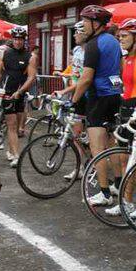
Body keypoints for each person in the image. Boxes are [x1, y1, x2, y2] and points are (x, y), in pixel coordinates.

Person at [71, 6, 123, 205]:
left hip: (98, 97)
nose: (83, 25)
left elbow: (86, 78)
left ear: (96, 23)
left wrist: (74, 100)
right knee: (111, 143)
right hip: (114, 94)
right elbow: (120, 68)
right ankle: (117, 184)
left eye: (86, 21)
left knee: (97, 147)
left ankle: (104, 193)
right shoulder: (114, 41)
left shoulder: (93, 45)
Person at [105, 19, 136, 218]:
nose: (121, 39)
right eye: (119, 36)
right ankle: (126, 201)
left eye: (124, 36)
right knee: (124, 158)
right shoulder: (126, 58)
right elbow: (124, 83)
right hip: (125, 105)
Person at [0, 26, 36, 167]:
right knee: (12, 125)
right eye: (15, 39)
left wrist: (20, 91)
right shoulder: (4, 53)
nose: (18, 42)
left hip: (19, 93)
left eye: (20, 39)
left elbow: (31, 77)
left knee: (16, 127)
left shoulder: (30, 57)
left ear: (24, 40)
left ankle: (11, 150)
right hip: (7, 93)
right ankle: (16, 156)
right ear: (12, 39)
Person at [55, 20, 88, 179]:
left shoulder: (91, 51)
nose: (74, 35)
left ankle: (94, 166)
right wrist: (67, 90)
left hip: (90, 96)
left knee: (94, 137)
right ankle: (80, 167)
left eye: (77, 32)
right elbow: (76, 77)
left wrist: (65, 91)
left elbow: (84, 79)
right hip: (77, 95)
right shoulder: (76, 50)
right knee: (76, 134)